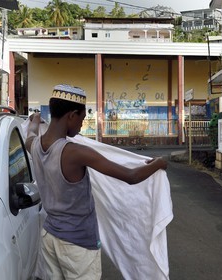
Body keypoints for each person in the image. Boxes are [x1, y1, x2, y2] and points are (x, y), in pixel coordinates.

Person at [25, 84, 167, 280]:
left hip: (49, 238)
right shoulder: (74, 152)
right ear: (72, 116)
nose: (82, 125)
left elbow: (30, 134)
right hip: (77, 245)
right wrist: (158, 163)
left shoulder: (34, 146)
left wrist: (34, 120)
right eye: (82, 119)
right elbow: (131, 176)